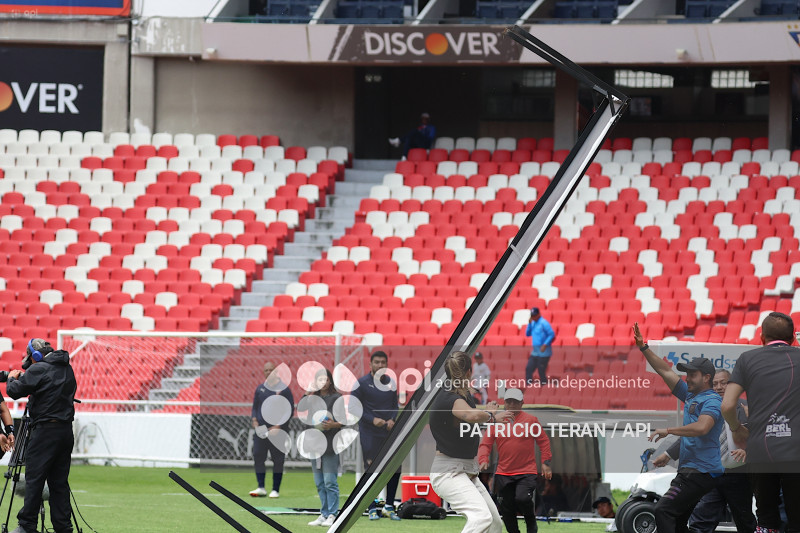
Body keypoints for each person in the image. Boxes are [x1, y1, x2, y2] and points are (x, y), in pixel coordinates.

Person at [633, 322, 724, 533]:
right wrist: (643, 348)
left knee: (663, 511)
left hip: (699, 472)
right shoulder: (691, 394)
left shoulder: (712, 401)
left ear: (707, 378)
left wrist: (668, 430)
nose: (687, 378)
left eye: (692, 374)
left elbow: (702, 428)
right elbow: (664, 370)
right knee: (677, 521)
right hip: (693, 471)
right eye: (687, 374)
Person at [722, 311, 800, 533]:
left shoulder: (747, 359)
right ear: (793, 338)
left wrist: (737, 429)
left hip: (761, 450)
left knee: (766, 519)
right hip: (797, 451)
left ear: (761, 337)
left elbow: (727, 406)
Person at [654, 369, 755, 533]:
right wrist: (668, 454)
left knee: (745, 521)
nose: (719, 387)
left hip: (738, 475)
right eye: (715, 383)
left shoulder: (745, 408)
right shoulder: (705, 406)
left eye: (723, 383)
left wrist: (748, 451)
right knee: (700, 522)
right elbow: (692, 434)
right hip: (710, 474)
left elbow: (758, 435)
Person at [430, 351, 513, 533]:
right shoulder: (450, 397)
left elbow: (470, 417)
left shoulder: (462, 397)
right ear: (469, 372)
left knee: (494, 524)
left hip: (465, 471)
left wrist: (488, 413)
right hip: (448, 473)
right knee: (482, 517)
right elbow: (470, 415)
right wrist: (490, 416)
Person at [6, 338, 77, 533]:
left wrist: (12, 377)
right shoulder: (66, 368)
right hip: (65, 432)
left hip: (45, 431)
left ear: (35, 355)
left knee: (34, 479)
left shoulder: (39, 369)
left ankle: (27, 525)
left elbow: (13, 391)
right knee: (59, 482)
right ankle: (63, 527)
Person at [478, 388, 552, 533]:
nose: (511, 404)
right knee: (507, 507)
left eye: (515, 402)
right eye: (509, 401)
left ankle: (531, 521)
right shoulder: (496, 421)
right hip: (504, 473)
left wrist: (546, 462)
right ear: (504, 403)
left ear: (522, 403)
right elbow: (485, 443)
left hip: (526, 472)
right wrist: (483, 458)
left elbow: (543, 442)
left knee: (523, 498)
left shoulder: (531, 420)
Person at [350, 350, 401, 520]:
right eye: (377, 362)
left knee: (394, 468)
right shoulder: (361, 384)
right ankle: (371, 507)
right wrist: (372, 420)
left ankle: (389, 506)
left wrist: (393, 419)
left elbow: (395, 405)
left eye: (383, 363)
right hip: (370, 432)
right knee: (372, 470)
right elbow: (353, 408)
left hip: (388, 431)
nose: (380, 365)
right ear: (370, 364)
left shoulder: (391, 383)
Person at [250, 361, 294, 498]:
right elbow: (255, 407)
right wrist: (254, 419)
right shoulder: (260, 389)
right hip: (261, 429)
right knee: (258, 455)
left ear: (276, 372)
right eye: (266, 370)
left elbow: (289, 410)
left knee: (278, 459)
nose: (268, 372)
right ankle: (261, 487)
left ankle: (275, 489)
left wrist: (279, 425)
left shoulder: (284, 389)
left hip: (278, 431)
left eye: (271, 370)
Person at [306, 369, 342, 527]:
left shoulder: (337, 398)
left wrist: (332, 424)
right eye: (320, 379)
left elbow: (344, 420)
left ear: (330, 381)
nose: (323, 383)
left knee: (329, 481)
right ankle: (324, 513)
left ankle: (333, 514)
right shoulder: (313, 398)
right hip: (315, 443)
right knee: (319, 482)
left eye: (326, 379)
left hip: (330, 445)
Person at [525, 307, 555, 387]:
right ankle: (529, 386)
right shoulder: (533, 323)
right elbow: (527, 334)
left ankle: (544, 387)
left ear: (538, 314)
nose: (533, 317)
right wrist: (529, 324)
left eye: (534, 315)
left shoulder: (544, 323)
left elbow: (551, 334)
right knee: (528, 368)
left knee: (541, 370)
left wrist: (545, 345)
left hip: (544, 352)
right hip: (535, 352)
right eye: (532, 316)